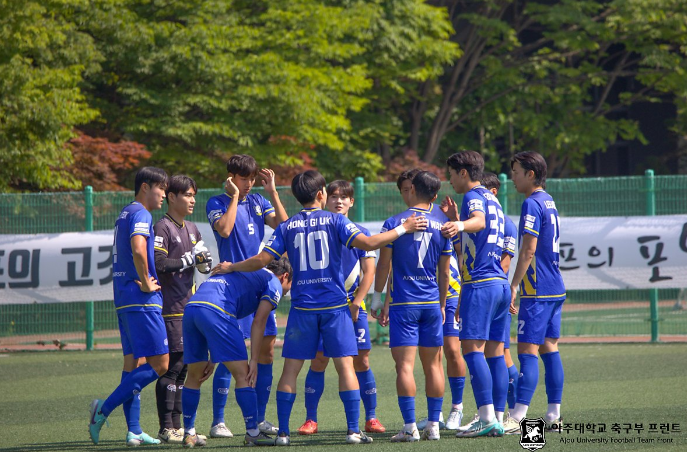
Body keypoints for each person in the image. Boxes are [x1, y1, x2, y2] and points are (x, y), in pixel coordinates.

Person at [211, 169, 427, 445]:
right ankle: (352, 431)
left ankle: (285, 434)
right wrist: (403, 228)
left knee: (290, 369)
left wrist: (231, 265)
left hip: (302, 309)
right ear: (321, 194)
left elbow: (261, 260)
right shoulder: (336, 221)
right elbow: (370, 243)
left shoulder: (286, 227)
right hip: (335, 307)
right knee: (346, 367)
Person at [205, 155, 288, 437]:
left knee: (265, 354)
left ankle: (260, 419)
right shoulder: (216, 202)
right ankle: (218, 421)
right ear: (230, 177)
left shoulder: (259, 202)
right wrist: (235, 196)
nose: (250, 184)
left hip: (258, 285)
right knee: (232, 356)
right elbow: (225, 229)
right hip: (230, 288)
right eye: (244, 179)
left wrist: (273, 192)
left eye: (252, 179)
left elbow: (284, 227)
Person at [89, 167, 170, 447]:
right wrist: (147, 282)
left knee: (133, 363)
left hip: (124, 299)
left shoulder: (124, 213)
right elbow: (138, 249)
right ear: (146, 187)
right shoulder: (141, 213)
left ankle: (134, 430)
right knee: (160, 364)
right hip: (140, 300)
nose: (164, 195)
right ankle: (103, 409)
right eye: (161, 189)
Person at [370, 171, 453, 442]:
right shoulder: (443, 224)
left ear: (413, 189)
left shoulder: (395, 223)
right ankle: (434, 426)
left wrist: (377, 297)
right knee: (434, 366)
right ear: (435, 195)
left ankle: (409, 427)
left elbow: (384, 265)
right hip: (431, 303)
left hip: (404, 305)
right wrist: (442, 304)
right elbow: (445, 273)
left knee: (404, 367)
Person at [297, 180, 385, 436]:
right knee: (319, 359)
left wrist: (357, 303)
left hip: (351, 307)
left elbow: (369, 272)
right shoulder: (320, 228)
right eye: (333, 196)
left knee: (361, 360)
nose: (338, 201)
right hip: (323, 309)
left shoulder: (358, 231)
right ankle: (311, 419)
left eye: (344, 197)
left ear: (351, 202)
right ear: (325, 199)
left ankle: (371, 417)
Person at [180, 258, 293, 447]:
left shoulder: (249, 272)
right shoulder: (273, 282)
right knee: (244, 375)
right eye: (289, 286)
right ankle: (253, 433)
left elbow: (210, 306)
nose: (288, 291)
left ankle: (189, 433)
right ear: (285, 277)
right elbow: (259, 321)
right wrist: (254, 360)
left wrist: (214, 358)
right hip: (217, 310)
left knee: (194, 375)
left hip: (192, 308)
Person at [441, 151, 509, 438]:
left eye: (452, 174)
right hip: (499, 284)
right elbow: (473, 242)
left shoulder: (472, 197)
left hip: (481, 284)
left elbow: (479, 222)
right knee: (495, 353)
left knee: (472, 351)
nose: (450, 179)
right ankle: (498, 417)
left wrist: (459, 224)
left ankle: (485, 416)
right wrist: (459, 222)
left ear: (464, 173)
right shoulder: (493, 198)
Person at [395, 169, 467, 431]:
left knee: (451, 349)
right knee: (431, 358)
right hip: (426, 297)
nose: (406, 193)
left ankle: (456, 408)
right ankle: (433, 419)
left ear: (418, 189)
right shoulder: (404, 222)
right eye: (402, 189)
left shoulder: (440, 216)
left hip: (445, 293)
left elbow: (458, 254)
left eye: (409, 188)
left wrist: (456, 220)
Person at [506, 151, 566, 433]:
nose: (512, 177)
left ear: (531, 174)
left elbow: (528, 249)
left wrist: (515, 283)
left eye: (516, 171)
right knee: (549, 348)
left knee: (527, 351)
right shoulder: (549, 201)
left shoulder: (531, 203)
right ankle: (554, 414)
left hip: (537, 289)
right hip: (555, 287)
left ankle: (518, 417)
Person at [153, 175, 212, 444]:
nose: (192, 200)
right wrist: (191, 258)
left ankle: (178, 426)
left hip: (188, 308)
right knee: (173, 368)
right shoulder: (162, 227)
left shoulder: (193, 229)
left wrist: (204, 264)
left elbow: (202, 267)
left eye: (194, 195)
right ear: (172, 197)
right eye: (187, 195)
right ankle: (167, 427)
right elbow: (160, 263)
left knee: (185, 367)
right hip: (169, 308)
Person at [480, 172, 519, 431]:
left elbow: (505, 262)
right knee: (490, 352)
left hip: (494, 292)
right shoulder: (482, 220)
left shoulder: (506, 223)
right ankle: (499, 412)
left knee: (502, 353)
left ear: (493, 192)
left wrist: (498, 291)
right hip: (486, 291)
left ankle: (514, 412)